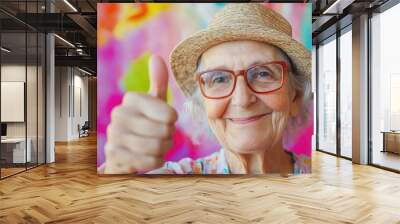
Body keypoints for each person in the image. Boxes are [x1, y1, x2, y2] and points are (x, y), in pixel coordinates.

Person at [102, 3, 311, 175]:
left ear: (295, 97)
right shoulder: (177, 179)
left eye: (263, 74)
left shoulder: (322, 179)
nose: (242, 99)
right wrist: (119, 173)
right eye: (219, 79)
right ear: (203, 103)